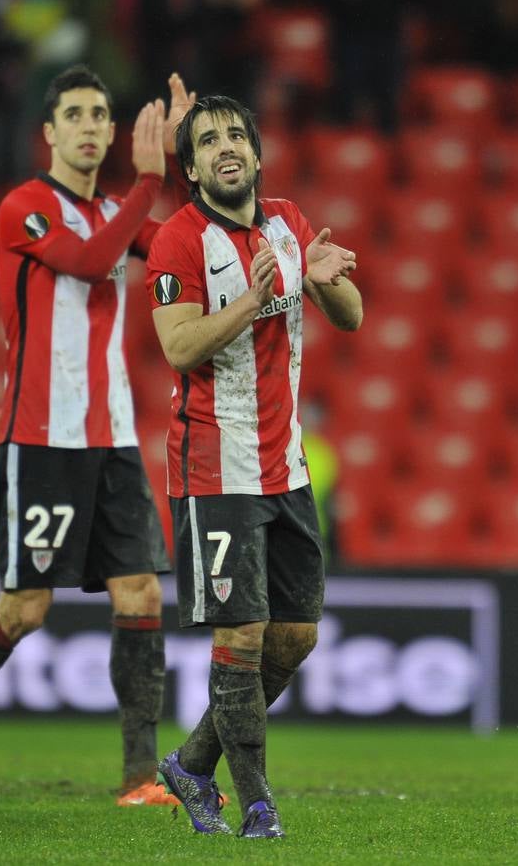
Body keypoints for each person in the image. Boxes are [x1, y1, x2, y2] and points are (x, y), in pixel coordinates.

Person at [0, 65, 179, 808]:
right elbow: (87, 264)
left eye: (100, 115)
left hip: (112, 435)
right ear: (48, 132)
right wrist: (151, 182)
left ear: (113, 132)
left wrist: (223, 188)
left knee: (141, 587)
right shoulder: (24, 206)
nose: (89, 126)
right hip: (40, 436)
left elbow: (178, 248)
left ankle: (139, 776)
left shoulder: (118, 210)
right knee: (26, 606)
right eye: (75, 115)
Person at [145, 93, 361, 839]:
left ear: (258, 156)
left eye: (237, 134)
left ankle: (192, 764)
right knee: (241, 636)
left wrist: (325, 275)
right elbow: (177, 347)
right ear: (194, 166)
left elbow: (353, 317)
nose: (225, 145)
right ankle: (258, 805)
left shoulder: (290, 222)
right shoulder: (179, 241)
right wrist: (255, 301)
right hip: (214, 464)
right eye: (208, 140)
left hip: (288, 467)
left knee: (294, 637)